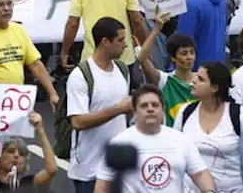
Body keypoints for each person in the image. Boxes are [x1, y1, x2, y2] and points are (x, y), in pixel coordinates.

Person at [93, 85, 217, 193]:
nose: (150, 109)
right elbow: (103, 185)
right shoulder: (120, 143)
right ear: (134, 112)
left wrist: (209, 190)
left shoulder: (181, 140)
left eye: (155, 105)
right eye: (144, 106)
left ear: (162, 109)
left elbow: (200, 174)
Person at [66, 17, 133, 193]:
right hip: (90, 170)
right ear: (105, 42)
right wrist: (118, 109)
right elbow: (78, 122)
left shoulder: (122, 70)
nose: (125, 45)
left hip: (118, 168)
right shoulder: (80, 76)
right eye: (120, 40)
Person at [177, 63, 243, 193]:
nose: (193, 80)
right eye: (195, 75)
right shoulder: (185, 112)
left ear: (215, 87)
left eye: (200, 79)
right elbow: (175, 151)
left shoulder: (238, 114)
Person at [139, 13, 199, 125]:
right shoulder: (165, 80)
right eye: (184, 53)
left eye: (192, 53)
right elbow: (142, 58)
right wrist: (156, 30)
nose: (189, 57)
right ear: (173, 58)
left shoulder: (202, 81)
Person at [0, 112, 58, 190]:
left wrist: (40, 129)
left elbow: (51, 170)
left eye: (22, 154)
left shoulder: (28, 184)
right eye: (11, 151)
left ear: (24, 164)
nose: (16, 155)